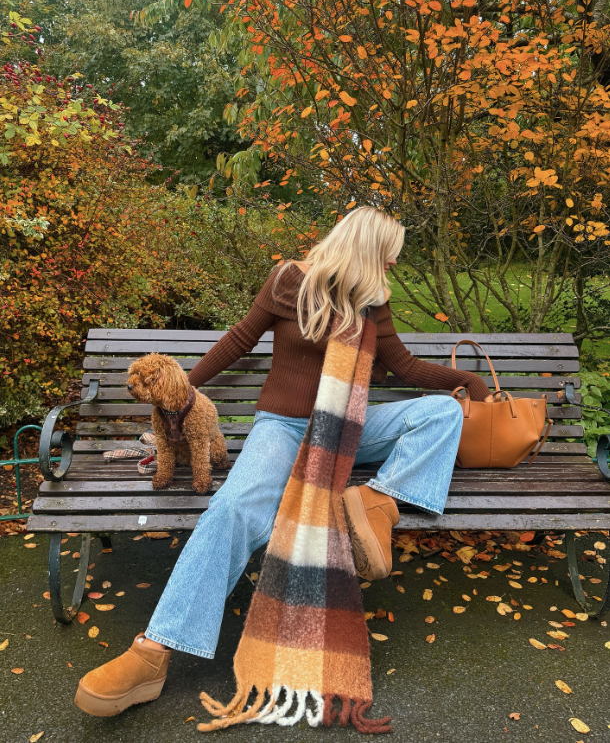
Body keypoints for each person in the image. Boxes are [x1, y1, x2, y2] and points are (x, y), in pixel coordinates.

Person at [74, 206, 492, 717]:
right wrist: (179, 394)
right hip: (282, 428)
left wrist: (467, 384)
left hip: (345, 431)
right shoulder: (287, 282)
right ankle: (153, 652)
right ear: (366, 251)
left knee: (439, 414)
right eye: (389, 258)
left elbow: (400, 366)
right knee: (232, 510)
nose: (393, 268)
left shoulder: (371, 305)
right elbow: (239, 340)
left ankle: (377, 504)